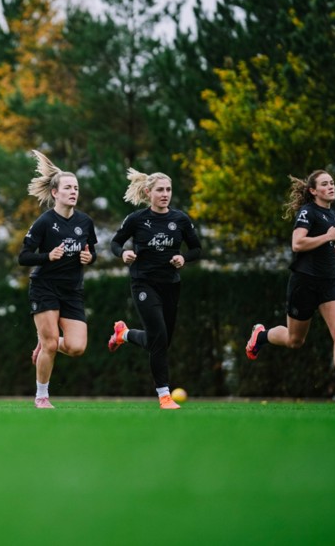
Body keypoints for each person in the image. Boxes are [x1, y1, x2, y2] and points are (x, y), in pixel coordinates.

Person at [244, 170, 335, 406]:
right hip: (304, 281)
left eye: (332, 182)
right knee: (294, 340)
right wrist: (327, 236)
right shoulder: (307, 212)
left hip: (330, 281)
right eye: (325, 184)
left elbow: (325, 244)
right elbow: (298, 243)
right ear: (313, 191)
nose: (331, 186)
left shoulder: (332, 215)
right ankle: (261, 336)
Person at [107, 167, 201, 410]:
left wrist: (184, 259)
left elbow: (196, 249)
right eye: (160, 190)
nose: (165, 194)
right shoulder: (136, 219)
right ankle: (164, 396)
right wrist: (124, 253)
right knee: (158, 338)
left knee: (159, 342)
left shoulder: (180, 219)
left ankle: (123, 334)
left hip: (170, 285)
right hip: (143, 283)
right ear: (149, 192)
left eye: (168, 189)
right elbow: (115, 243)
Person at [19, 150, 97, 409]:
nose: (73, 191)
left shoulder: (85, 222)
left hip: (72, 289)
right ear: (55, 193)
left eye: (76, 187)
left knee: (77, 347)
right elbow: (24, 257)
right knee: (51, 343)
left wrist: (89, 258)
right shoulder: (44, 222)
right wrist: (47, 256)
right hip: (45, 287)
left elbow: (91, 251)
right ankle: (42, 396)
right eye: (68, 187)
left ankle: (44, 340)